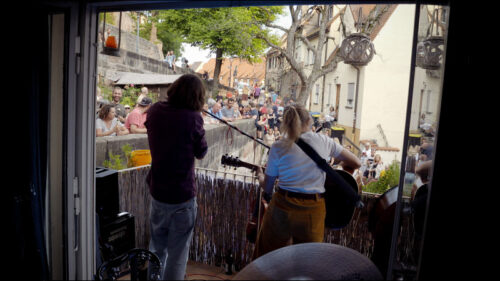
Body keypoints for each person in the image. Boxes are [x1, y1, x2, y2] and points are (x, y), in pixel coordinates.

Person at [252, 104, 361, 259]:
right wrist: (337, 167)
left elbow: (268, 188)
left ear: (286, 124)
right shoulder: (325, 141)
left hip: (282, 206)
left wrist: (260, 175)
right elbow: (356, 163)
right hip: (312, 209)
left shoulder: (278, 146)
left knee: (267, 257)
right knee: (308, 262)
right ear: (309, 120)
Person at [144, 74, 208, 280]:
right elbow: (201, 151)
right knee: (178, 254)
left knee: (156, 248)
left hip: (158, 191)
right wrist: (198, 121)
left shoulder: (154, 111)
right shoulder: (193, 118)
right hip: (182, 196)